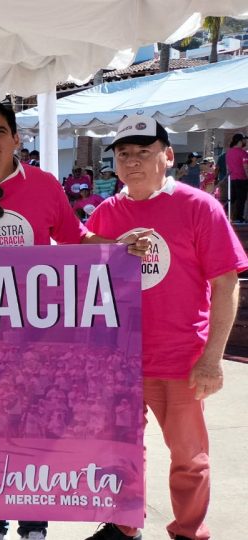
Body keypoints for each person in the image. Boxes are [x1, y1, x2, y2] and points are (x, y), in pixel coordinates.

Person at [0, 102, 149, 540]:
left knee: (32, 422)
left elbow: (74, 240)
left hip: (38, 331)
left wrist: (116, 248)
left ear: (15, 140)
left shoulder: (45, 186)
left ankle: (33, 521)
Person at [83, 116, 247, 540]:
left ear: (168, 156)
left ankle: (189, 531)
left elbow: (226, 282)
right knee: (120, 451)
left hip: (182, 360)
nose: (132, 162)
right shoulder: (105, 214)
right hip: (121, 362)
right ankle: (123, 527)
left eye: (143, 152)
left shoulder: (198, 206)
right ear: (114, 165)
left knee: (190, 457)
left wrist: (212, 359)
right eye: (123, 155)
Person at [225, 133, 248, 222]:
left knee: (232, 198)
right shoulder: (243, 153)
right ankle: (239, 217)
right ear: (240, 141)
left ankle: (222, 211)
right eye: (244, 139)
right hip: (242, 179)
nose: (245, 141)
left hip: (233, 179)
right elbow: (246, 167)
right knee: (241, 199)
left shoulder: (228, 153)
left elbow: (228, 167)